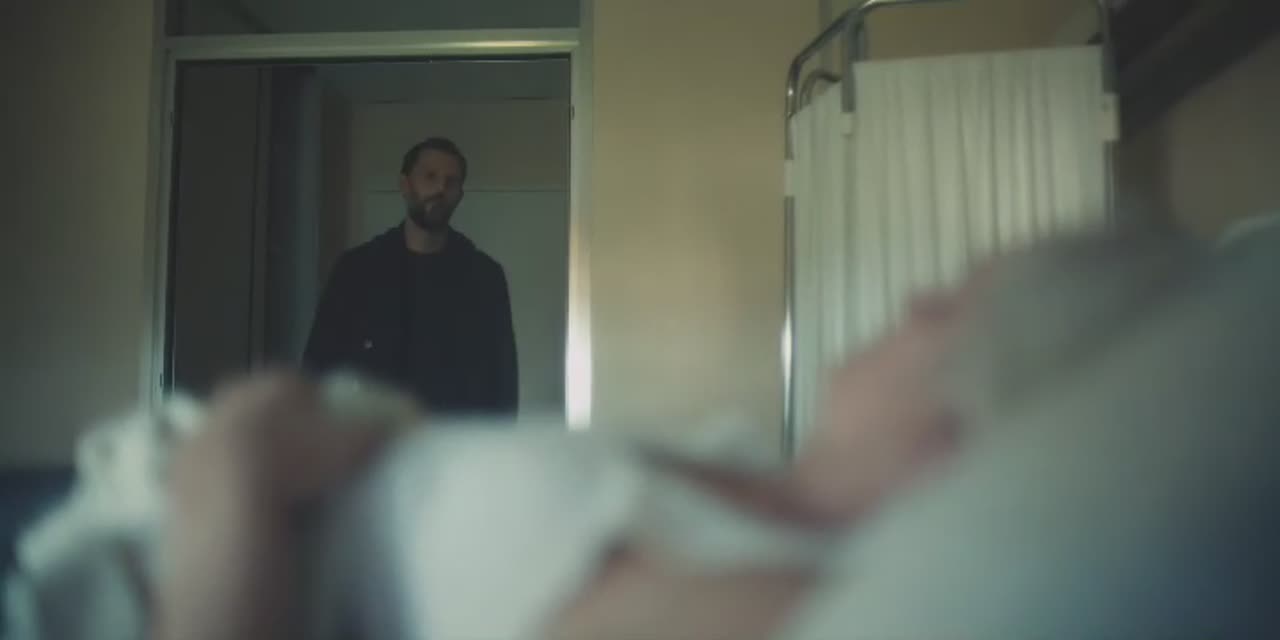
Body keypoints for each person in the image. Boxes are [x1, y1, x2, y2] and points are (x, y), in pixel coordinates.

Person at [303, 137, 518, 415]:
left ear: (460, 194)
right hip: (375, 434)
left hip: (455, 435)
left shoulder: (483, 278)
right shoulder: (357, 270)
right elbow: (319, 367)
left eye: (451, 181)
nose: (440, 189)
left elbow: (503, 382)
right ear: (405, 185)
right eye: (430, 177)